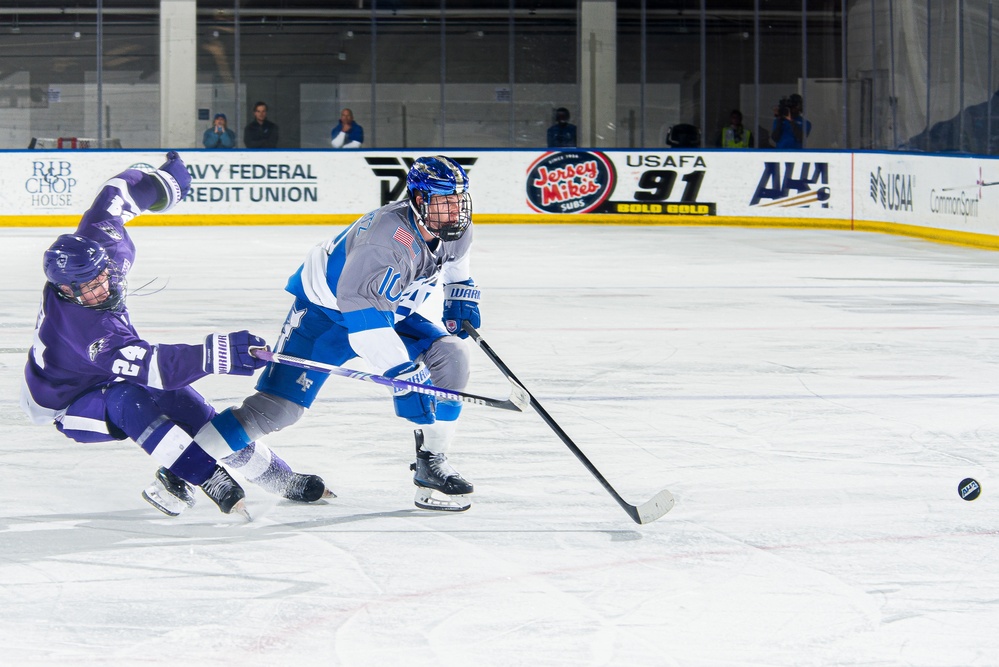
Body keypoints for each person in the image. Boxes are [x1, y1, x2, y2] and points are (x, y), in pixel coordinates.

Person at [20, 152, 331, 520]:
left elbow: (114, 196)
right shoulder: (86, 328)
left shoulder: (102, 247)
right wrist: (219, 354)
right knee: (127, 398)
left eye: (101, 275)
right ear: (66, 292)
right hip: (65, 402)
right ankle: (208, 477)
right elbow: (155, 368)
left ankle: (280, 477)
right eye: (86, 288)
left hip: (101, 372)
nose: (101, 288)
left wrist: (162, 183)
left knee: (190, 405)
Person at [196, 156, 481, 512]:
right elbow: (364, 326)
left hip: (389, 315)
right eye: (445, 201)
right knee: (276, 411)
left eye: (459, 200)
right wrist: (402, 375)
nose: (455, 211)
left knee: (451, 356)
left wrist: (460, 295)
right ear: (420, 201)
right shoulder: (385, 242)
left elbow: (455, 268)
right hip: (324, 319)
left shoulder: (453, 227)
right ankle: (181, 468)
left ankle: (431, 466)